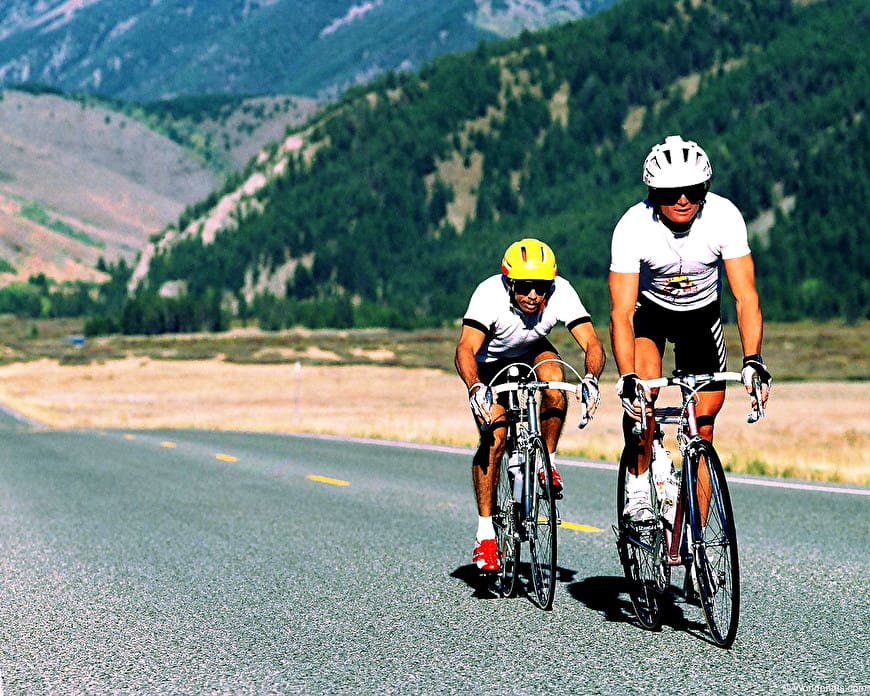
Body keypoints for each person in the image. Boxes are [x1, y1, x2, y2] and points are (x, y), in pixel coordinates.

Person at [609, 135, 772, 521]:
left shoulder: (724, 217)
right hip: (651, 314)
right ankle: (639, 482)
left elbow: (746, 297)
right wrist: (627, 375)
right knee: (642, 399)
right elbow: (621, 314)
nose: (683, 200)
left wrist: (753, 359)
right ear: (653, 193)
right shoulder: (633, 226)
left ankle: (692, 535)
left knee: (704, 424)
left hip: (701, 317)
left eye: (694, 191)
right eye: (671, 193)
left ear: (705, 189)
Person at [455, 238, 606, 572]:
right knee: (496, 437)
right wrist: (476, 387)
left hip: (532, 350)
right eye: (524, 287)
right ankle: (486, 535)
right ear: (509, 282)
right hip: (488, 363)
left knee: (554, 382)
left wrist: (591, 379)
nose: (534, 295)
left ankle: (545, 460)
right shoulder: (488, 295)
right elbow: (465, 348)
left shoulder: (562, 291)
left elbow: (593, 343)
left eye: (541, 287)